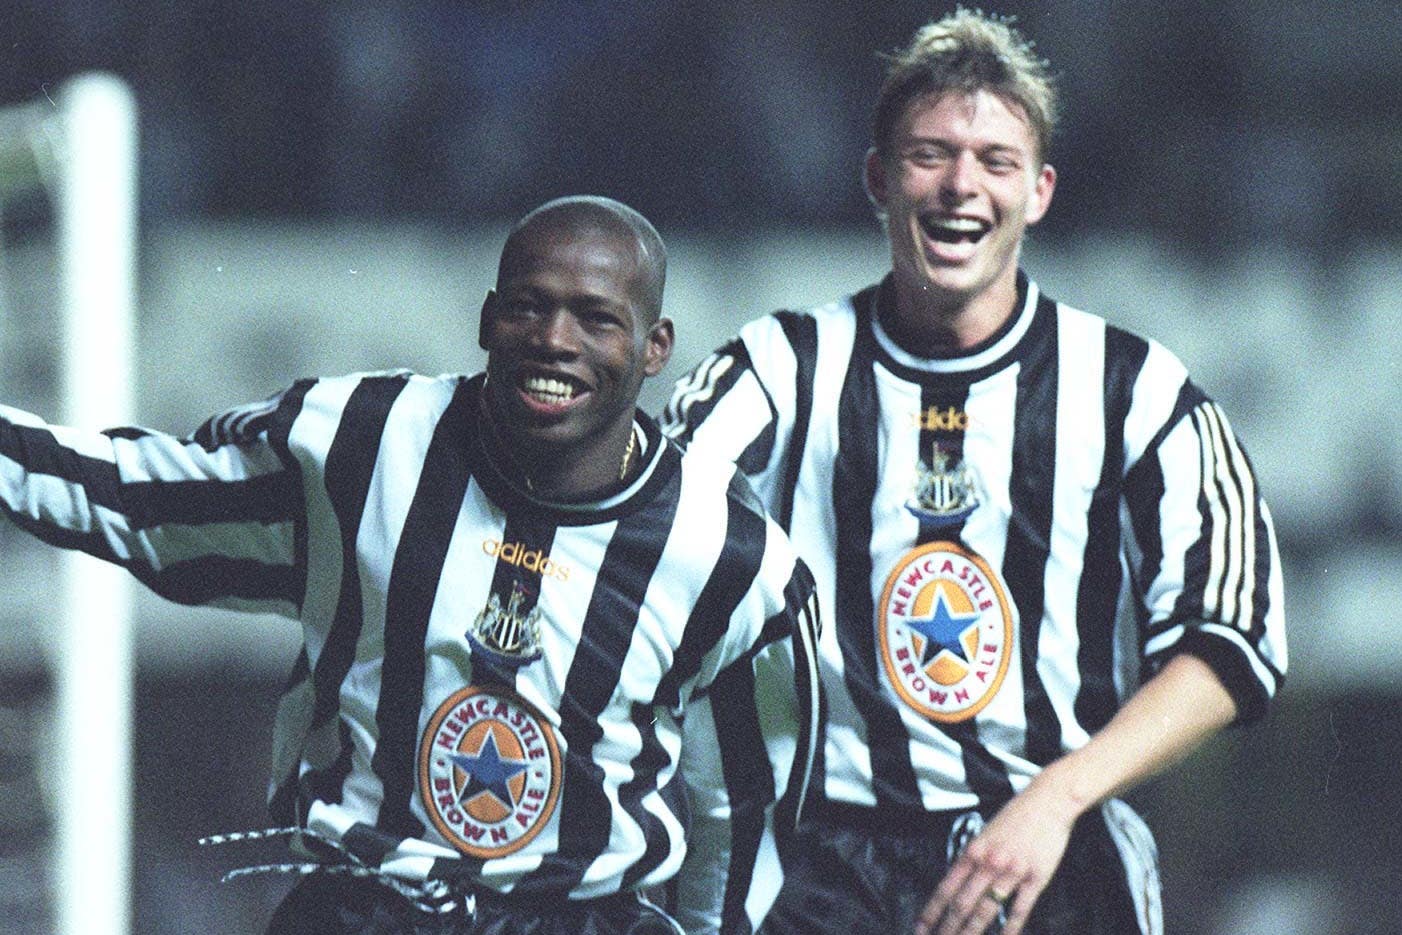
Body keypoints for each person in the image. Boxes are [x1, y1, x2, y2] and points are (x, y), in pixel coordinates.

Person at [0, 195, 820, 935]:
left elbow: (740, 808)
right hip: (365, 908)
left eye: (596, 318)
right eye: (528, 308)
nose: (554, 340)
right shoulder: (362, 441)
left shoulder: (733, 558)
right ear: (487, 317)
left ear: (655, 347)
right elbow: (138, 498)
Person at [661, 10, 1286, 935]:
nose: (963, 184)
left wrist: (1061, 796)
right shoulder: (778, 369)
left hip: (1055, 847)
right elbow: (628, 538)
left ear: (1038, 191)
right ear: (879, 178)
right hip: (816, 861)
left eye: (995, 161)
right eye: (930, 154)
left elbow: (1236, 642)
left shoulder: (1135, 390)